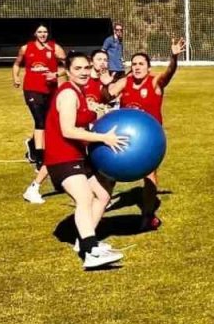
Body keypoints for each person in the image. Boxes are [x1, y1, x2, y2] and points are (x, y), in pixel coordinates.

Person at [43, 51, 127, 269]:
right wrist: (104, 138)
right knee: (84, 197)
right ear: (68, 71)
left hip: (78, 155)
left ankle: (84, 240)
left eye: (86, 68)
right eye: (78, 69)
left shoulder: (80, 92)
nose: (83, 72)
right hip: (61, 157)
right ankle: (90, 252)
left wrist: (98, 111)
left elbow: (85, 115)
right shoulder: (69, 94)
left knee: (103, 193)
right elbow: (68, 130)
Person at [107, 39, 183, 231]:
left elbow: (169, 73)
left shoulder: (155, 82)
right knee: (110, 172)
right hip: (123, 136)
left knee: (149, 175)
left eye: (141, 64)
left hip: (148, 139)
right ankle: (101, 202)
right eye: (134, 64)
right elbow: (108, 95)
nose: (137, 67)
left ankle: (147, 215)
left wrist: (174, 57)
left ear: (148, 68)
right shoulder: (125, 82)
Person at [14, 24, 66, 201]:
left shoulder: (55, 48)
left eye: (45, 32)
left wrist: (56, 75)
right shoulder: (26, 48)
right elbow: (16, 64)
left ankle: (32, 144)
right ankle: (39, 156)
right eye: (40, 32)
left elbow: (68, 66)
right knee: (40, 121)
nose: (43, 35)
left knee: (50, 122)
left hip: (50, 91)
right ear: (35, 33)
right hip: (32, 90)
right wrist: (15, 77)